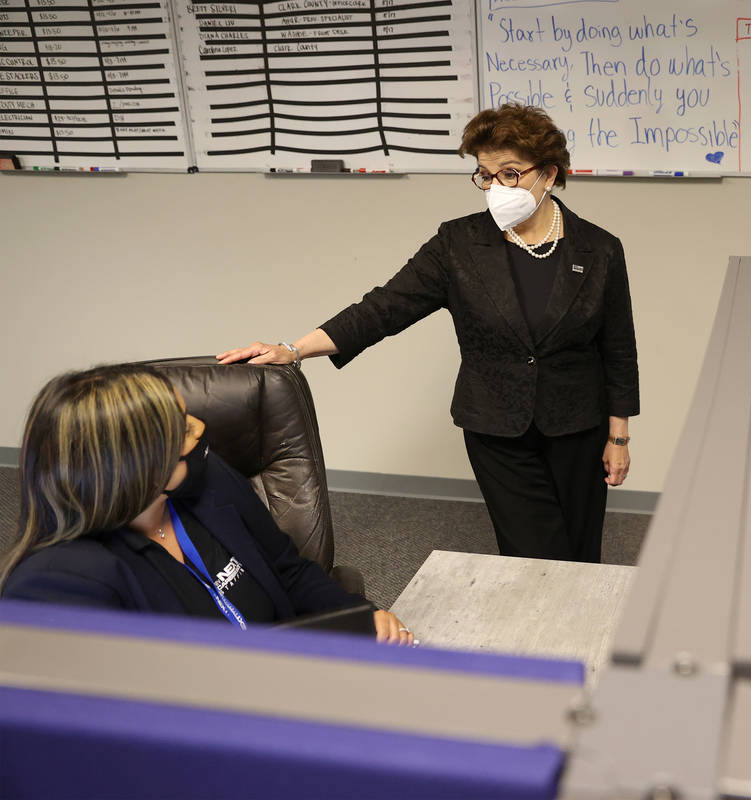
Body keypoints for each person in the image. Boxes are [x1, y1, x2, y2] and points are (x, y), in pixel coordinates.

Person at [218, 104, 639, 563]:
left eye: (510, 173)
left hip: (578, 424)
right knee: (533, 556)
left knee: (580, 554)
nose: (497, 187)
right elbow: (383, 307)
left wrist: (618, 437)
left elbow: (617, 347)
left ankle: (581, 635)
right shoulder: (458, 244)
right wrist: (293, 349)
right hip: (496, 426)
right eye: (485, 174)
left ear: (549, 173)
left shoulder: (598, 248)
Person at [0, 364, 413, 645]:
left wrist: (360, 615)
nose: (198, 432)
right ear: (130, 467)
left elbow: (289, 570)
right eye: (180, 431)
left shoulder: (208, 480)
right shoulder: (61, 583)